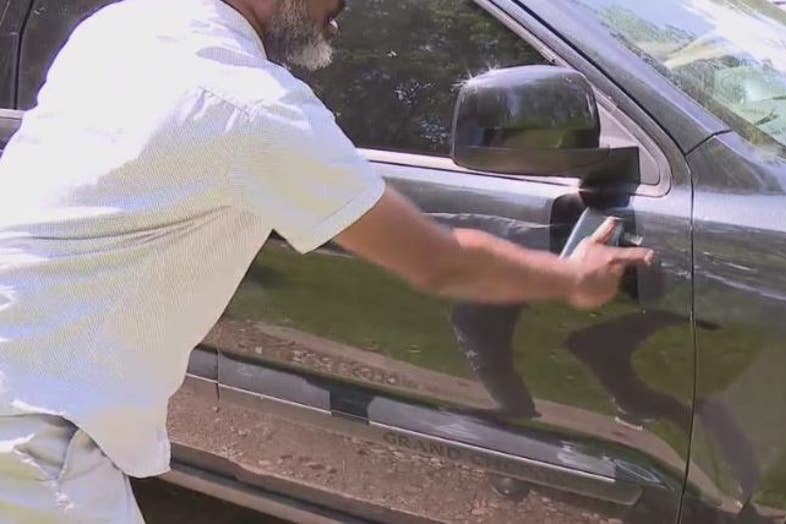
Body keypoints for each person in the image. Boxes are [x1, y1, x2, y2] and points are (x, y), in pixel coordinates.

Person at [0, 0, 653, 520]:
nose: (341, 14)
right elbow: (439, 263)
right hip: (30, 431)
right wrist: (572, 277)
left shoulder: (122, 27)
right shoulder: (249, 108)